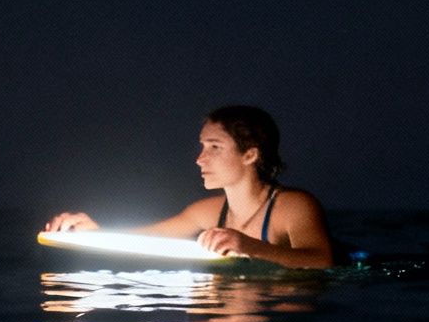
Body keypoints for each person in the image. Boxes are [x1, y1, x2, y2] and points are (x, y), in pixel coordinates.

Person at [46, 106, 334, 269]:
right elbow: (147, 238)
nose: (200, 159)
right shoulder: (205, 212)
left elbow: (323, 261)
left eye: (215, 147)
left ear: (250, 155)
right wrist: (96, 232)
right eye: (201, 146)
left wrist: (249, 247)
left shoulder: (293, 207)